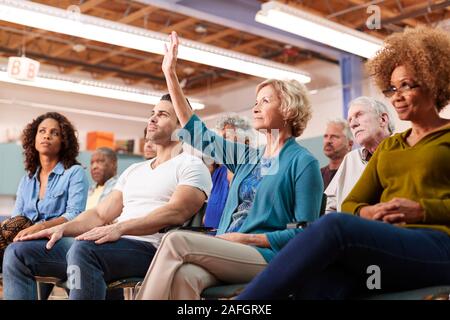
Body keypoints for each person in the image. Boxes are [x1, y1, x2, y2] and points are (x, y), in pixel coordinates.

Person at [237, 26, 450, 300]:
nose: (396, 95)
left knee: (334, 226)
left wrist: (421, 211)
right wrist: (368, 214)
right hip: (390, 249)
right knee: (324, 282)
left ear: (433, 81)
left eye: (407, 85)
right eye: (392, 87)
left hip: (440, 247)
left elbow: (341, 218)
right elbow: (351, 203)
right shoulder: (389, 146)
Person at [135, 31, 323, 300]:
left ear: (290, 110)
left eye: (265, 101)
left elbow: (306, 236)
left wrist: (247, 239)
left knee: (174, 239)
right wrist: (170, 73)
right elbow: (196, 132)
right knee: (185, 276)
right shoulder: (248, 157)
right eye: (255, 102)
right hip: (227, 248)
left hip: (267, 256)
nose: (256, 108)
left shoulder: (303, 162)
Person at [3, 94, 212, 300]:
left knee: (84, 249)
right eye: (152, 113)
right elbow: (100, 213)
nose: (152, 118)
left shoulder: (192, 165)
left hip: (153, 250)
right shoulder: (134, 170)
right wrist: (60, 228)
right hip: (109, 245)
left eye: (163, 114)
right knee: (18, 252)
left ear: (182, 126)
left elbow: (175, 212)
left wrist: (119, 228)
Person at [0, 112, 88, 267]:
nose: (47, 136)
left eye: (54, 133)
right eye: (42, 131)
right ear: (34, 138)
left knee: (15, 250)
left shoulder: (75, 173)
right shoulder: (27, 180)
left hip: (59, 239)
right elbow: (17, 217)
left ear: (63, 141)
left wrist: (41, 227)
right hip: (26, 240)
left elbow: (74, 214)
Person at [325, 97, 394, 213]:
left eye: (359, 115)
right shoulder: (351, 159)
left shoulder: (404, 150)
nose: (352, 124)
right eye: (350, 120)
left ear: (382, 119)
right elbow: (329, 204)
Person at [204, 114, 253, 229]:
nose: (220, 143)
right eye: (220, 138)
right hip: (208, 236)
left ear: (245, 142)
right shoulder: (217, 173)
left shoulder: (252, 174)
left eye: (226, 137)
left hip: (232, 239)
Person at [320, 119, 353, 189]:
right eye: (326, 136)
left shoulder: (357, 172)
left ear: (350, 144)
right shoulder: (318, 175)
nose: (328, 141)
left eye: (334, 137)